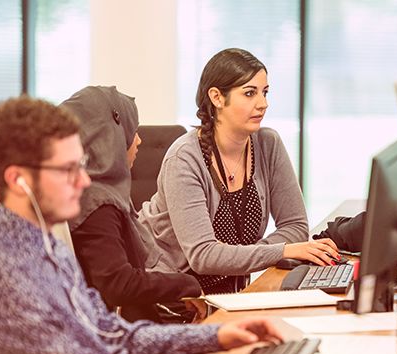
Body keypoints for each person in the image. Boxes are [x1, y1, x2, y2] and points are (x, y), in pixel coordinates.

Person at [0, 95, 284, 354]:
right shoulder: (4, 270)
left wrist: (215, 335)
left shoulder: (47, 246)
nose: (84, 181)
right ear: (18, 180)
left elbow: (111, 332)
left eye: (81, 165)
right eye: (67, 169)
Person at [138, 48, 339, 295]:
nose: (263, 104)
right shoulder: (184, 159)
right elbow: (203, 256)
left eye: (264, 92)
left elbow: (296, 226)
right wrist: (281, 250)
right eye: (249, 93)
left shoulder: (267, 144)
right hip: (175, 297)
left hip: (231, 294)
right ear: (217, 98)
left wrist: (243, 255)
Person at [62, 86, 206, 323]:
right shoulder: (97, 204)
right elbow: (118, 284)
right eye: (132, 131)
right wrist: (186, 284)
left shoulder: (98, 193)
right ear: (110, 137)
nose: (138, 140)